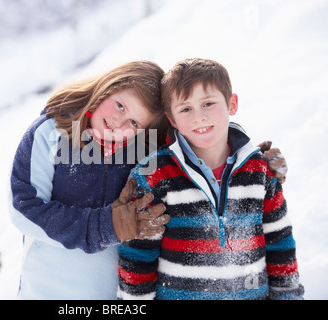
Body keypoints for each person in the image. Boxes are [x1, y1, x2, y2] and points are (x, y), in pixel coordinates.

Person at [117, 58, 304, 300]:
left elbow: (280, 245)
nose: (199, 117)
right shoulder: (154, 175)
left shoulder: (260, 171)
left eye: (208, 103)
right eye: (186, 109)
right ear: (171, 119)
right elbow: (137, 258)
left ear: (231, 103)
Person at [9, 61, 171, 299]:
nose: (119, 122)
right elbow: (25, 211)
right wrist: (105, 226)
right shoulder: (50, 132)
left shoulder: (144, 158)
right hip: (45, 291)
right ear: (107, 88)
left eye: (134, 123)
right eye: (120, 106)